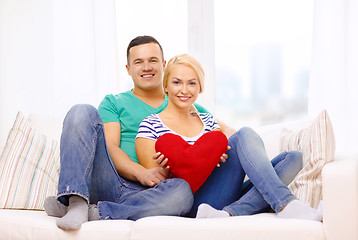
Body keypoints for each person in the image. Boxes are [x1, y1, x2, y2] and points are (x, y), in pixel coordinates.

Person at [44, 36, 219, 231]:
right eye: (139, 62)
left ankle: (98, 212)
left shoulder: (187, 102)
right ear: (128, 69)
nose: (146, 67)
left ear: (164, 64)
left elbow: (221, 134)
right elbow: (110, 146)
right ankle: (76, 201)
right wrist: (141, 172)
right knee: (81, 110)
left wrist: (225, 148)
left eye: (153, 60)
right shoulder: (114, 102)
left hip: (150, 193)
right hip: (110, 180)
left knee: (182, 192)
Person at [135, 53, 323, 221]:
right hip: (190, 201)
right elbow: (153, 181)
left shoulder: (207, 121)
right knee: (243, 135)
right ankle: (286, 205)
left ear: (200, 87)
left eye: (192, 83)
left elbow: (235, 150)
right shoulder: (150, 124)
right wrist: (167, 167)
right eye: (177, 82)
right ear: (166, 86)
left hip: (223, 193)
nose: (184, 90)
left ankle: (229, 213)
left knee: (294, 158)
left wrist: (219, 154)